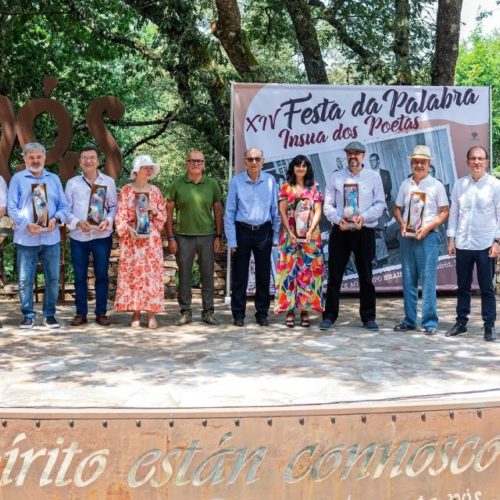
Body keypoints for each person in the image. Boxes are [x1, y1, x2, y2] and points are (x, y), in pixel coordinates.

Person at [320, 141, 386, 331]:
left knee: (366, 276)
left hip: (364, 231)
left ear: (363, 156)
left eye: (357, 153)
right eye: (350, 153)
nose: (353, 157)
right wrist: (337, 218)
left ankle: (368, 317)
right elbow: (328, 205)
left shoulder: (373, 177)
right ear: (346, 156)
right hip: (340, 231)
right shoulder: (335, 177)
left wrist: (363, 218)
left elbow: (380, 204)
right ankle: (330, 316)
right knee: (334, 276)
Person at [7, 142, 68, 329]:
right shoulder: (18, 179)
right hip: (26, 238)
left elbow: (64, 207)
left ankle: (49, 315)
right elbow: (12, 207)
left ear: (44, 158)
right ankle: (28, 315)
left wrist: (56, 219)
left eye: (38, 157)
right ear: (25, 159)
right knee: (25, 279)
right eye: (31, 157)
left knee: (53, 278)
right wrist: (27, 224)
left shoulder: (54, 179)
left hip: (51, 238)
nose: (35, 160)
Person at [392, 145, 449, 335]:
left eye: (422, 162)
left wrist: (427, 228)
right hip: (407, 237)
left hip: (428, 237)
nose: (418, 165)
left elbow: (444, 212)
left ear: (429, 164)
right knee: (408, 280)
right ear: (411, 164)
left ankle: (430, 322)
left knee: (428, 280)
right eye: (415, 162)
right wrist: (401, 223)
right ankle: (409, 321)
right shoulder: (405, 184)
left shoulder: (436, 185)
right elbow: (397, 208)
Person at [446, 146, 500, 342]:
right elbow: (453, 214)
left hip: (486, 244)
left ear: (486, 162)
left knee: (486, 288)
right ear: (467, 161)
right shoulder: (460, 185)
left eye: (481, 158)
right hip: (463, 244)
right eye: (473, 158)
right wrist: (451, 238)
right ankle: (461, 323)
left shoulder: (495, 185)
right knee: (462, 286)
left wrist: (497, 241)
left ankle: (489, 326)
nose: (477, 162)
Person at [166, 150, 223, 326]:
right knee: (184, 275)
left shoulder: (212, 184)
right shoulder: (177, 184)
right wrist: (171, 237)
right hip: (183, 237)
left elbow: (218, 211)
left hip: (207, 236)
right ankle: (185, 312)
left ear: (204, 164)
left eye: (199, 161)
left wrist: (218, 236)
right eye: (192, 161)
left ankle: (208, 312)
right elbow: (167, 211)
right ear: (186, 163)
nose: (196, 164)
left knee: (207, 275)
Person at [225, 147, 280, 327]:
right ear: (245, 160)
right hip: (242, 231)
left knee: (263, 275)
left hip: (264, 231)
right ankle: (238, 314)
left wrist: (276, 236)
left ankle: (262, 313)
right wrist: (232, 240)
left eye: (257, 159)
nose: (254, 162)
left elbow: (275, 211)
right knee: (240, 276)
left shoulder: (271, 181)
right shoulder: (236, 182)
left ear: (262, 160)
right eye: (250, 159)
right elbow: (230, 212)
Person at [65, 145, 117, 327]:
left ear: (98, 160)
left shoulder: (108, 182)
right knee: (79, 277)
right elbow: (66, 210)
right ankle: (81, 313)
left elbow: (113, 207)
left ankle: (101, 313)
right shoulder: (72, 183)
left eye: (92, 157)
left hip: (102, 236)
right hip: (79, 236)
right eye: (85, 158)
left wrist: (108, 221)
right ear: (80, 162)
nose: (88, 161)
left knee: (102, 276)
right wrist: (78, 222)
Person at [114, 155, 167, 328]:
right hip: (132, 239)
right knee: (133, 275)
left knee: (151, 275)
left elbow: (162, 218)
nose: (149, 170)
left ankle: (151, 313)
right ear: (137, 171)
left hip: (150, 240)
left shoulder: (156, 191)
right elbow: (120, 216)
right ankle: (136, 313)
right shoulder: (126, 191)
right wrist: (128, 229)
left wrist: (154, 211)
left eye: (151, 167)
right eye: (146, 167)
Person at [274, 155, 324, 327]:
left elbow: (318, 211)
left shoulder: (314, 188)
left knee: (308, 272)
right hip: (290, 238)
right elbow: (282, 212)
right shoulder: (285, 188)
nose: (301, 168)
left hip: (310, 238)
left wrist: (310, 230)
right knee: (289, 273)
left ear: (307, 168)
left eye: (304, 166)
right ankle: (289, 310)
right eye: (298, 165)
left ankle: (304, 311)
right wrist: (290, 233)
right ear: (293, 168)